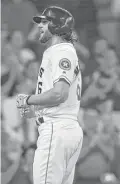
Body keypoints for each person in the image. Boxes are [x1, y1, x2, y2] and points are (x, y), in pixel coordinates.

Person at [16, 6, 83, 184]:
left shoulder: (62, 51)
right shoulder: (61, 51)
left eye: (45, 22)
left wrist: (28, 100)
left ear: (57, 26)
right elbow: (59, 97)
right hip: (63, 127)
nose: (40, 26)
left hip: (57, 130)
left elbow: (59, 94)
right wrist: (36, 110)